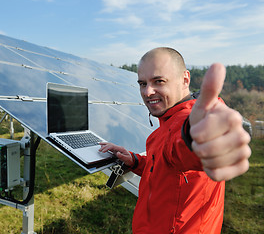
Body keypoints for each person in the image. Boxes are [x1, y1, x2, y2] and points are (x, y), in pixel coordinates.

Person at [99, 47, 251, 233]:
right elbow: (168, 168)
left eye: (159, 81)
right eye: (142, 83)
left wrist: (200, 136)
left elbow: (184, 148)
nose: (147, 92)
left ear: (185, 79)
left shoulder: (183, 124)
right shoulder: (167, 123)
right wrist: (135, 160)